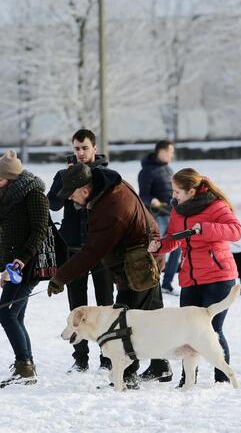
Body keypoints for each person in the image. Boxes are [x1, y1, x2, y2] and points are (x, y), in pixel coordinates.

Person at [47, 162, 171, 389]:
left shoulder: (110, 207)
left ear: (85, 190)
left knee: (124, 321)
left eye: (72, 195)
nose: (71, 200)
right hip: (145, 260)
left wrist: (60, 277)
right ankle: (160, 365)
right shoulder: (111, 188)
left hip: (137, 267)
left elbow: (92, 251)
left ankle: (127, 377)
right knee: (152, 317)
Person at [148, 168, 241, 386]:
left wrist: (207, 229)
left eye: (177, 191)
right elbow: (174, 238)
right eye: (173, 191)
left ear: (191, 191)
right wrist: (160, 245)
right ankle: (187, 380)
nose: (173, 196)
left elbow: (237, 231)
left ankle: (223, 379)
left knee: (212, 329)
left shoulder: (215, 205)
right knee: (185, 332)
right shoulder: (178, 210)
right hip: (190, 278)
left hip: (218, 277)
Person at [47, 129, 114, 373]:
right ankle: (80, 357)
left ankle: (107, 357)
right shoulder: (64, 173)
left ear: (94, 148)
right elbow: (52, 204)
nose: (81, 153)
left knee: (106, 303)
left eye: (85, 148)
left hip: (100, 248)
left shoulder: (105, 175)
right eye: (76, 148)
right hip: (73, 248)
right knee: (77, 304)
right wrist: (66, 180)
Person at [0, 150, 50, 388]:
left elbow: (39, 230)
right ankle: (26, 366)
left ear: (12, 177)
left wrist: (21, 260)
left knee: (6, 314)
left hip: (27, 265)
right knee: (16, 315)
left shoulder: (34, 194)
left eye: (0, 178)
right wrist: (2, 262)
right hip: (13, 266)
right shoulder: (7, 196)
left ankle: (24, 365)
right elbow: (8, 236)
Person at [138, 139, 182, 296]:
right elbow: (143, 195)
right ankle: (149, 282)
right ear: (161, 151)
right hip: (157, 216)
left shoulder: (168, 169)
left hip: (172, 214)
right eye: (170, 151)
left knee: (177, 247)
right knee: (156, 248)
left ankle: (167, 284)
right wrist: (152, 201)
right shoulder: (147, 171)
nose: (172, 154)